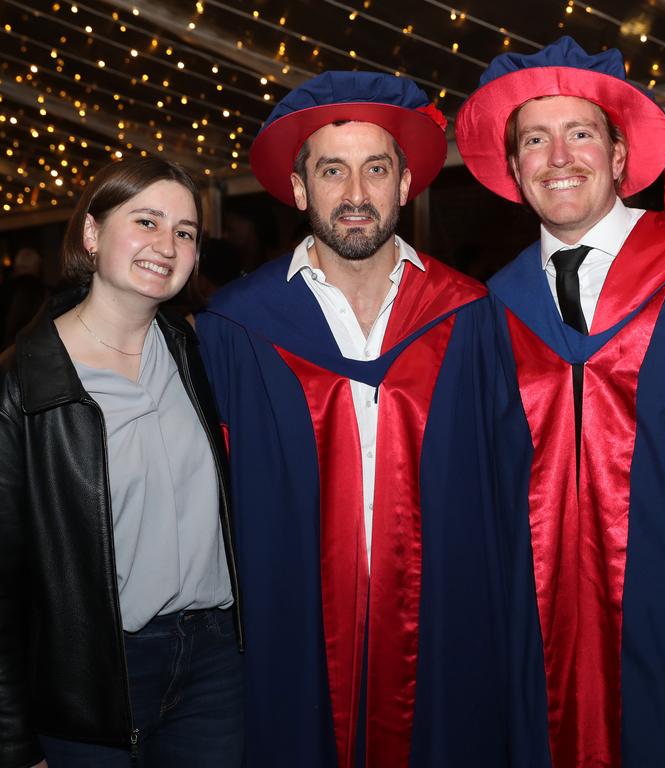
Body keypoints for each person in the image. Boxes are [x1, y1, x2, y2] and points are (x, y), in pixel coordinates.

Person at [196, 71, 520, 767]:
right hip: (294, 634)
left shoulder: (468, 315)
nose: (355, 196)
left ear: (405, 185)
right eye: (332, 171)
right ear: (300, 187)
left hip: (440, 627)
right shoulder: (237, 328)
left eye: (376, 170)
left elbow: (505, 488)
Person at [455, 37, 665, 766]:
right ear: (514, 171)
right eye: (535, 141)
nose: (559, 157)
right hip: (540, 620)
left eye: (581, 133)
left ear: (617, 155)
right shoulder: (488, 308)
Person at [0, 157, 244, 768]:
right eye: (146, 221)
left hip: (215, 662)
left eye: (185, 232)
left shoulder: (194, 353)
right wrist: (11, 744)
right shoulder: (12, 392)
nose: (166, 245)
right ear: (92, 233)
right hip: (94, 671)